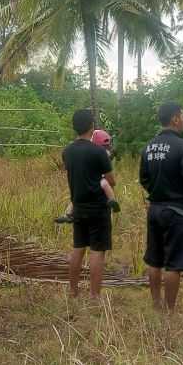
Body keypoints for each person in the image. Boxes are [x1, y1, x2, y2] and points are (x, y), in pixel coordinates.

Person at [140, 103, 183, 312]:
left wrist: (156, 193)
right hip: (177, 211)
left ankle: (157, 304)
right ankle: (169, 311)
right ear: (175, 119)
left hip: (154, 209)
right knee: (174, 264)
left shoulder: (149, 146)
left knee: (154, 260)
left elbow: (144, 178)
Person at [62, 110, 117, 299]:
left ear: (74, 127)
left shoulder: (67, 151)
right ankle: (94, 295)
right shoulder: (98, 151)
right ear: (92, 127)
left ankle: (73, 291)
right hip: (98, 208)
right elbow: (111, 180)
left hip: (78, 206)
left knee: (78, 248)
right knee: (97, 251)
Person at [55, 129, 120, 224]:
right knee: (106, 186)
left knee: (76, 198)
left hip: (86, 190)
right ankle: (113, 200)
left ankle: (68, 214)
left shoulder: (88, 152)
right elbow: (111, 181)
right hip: (100, 187)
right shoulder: (104, 153)